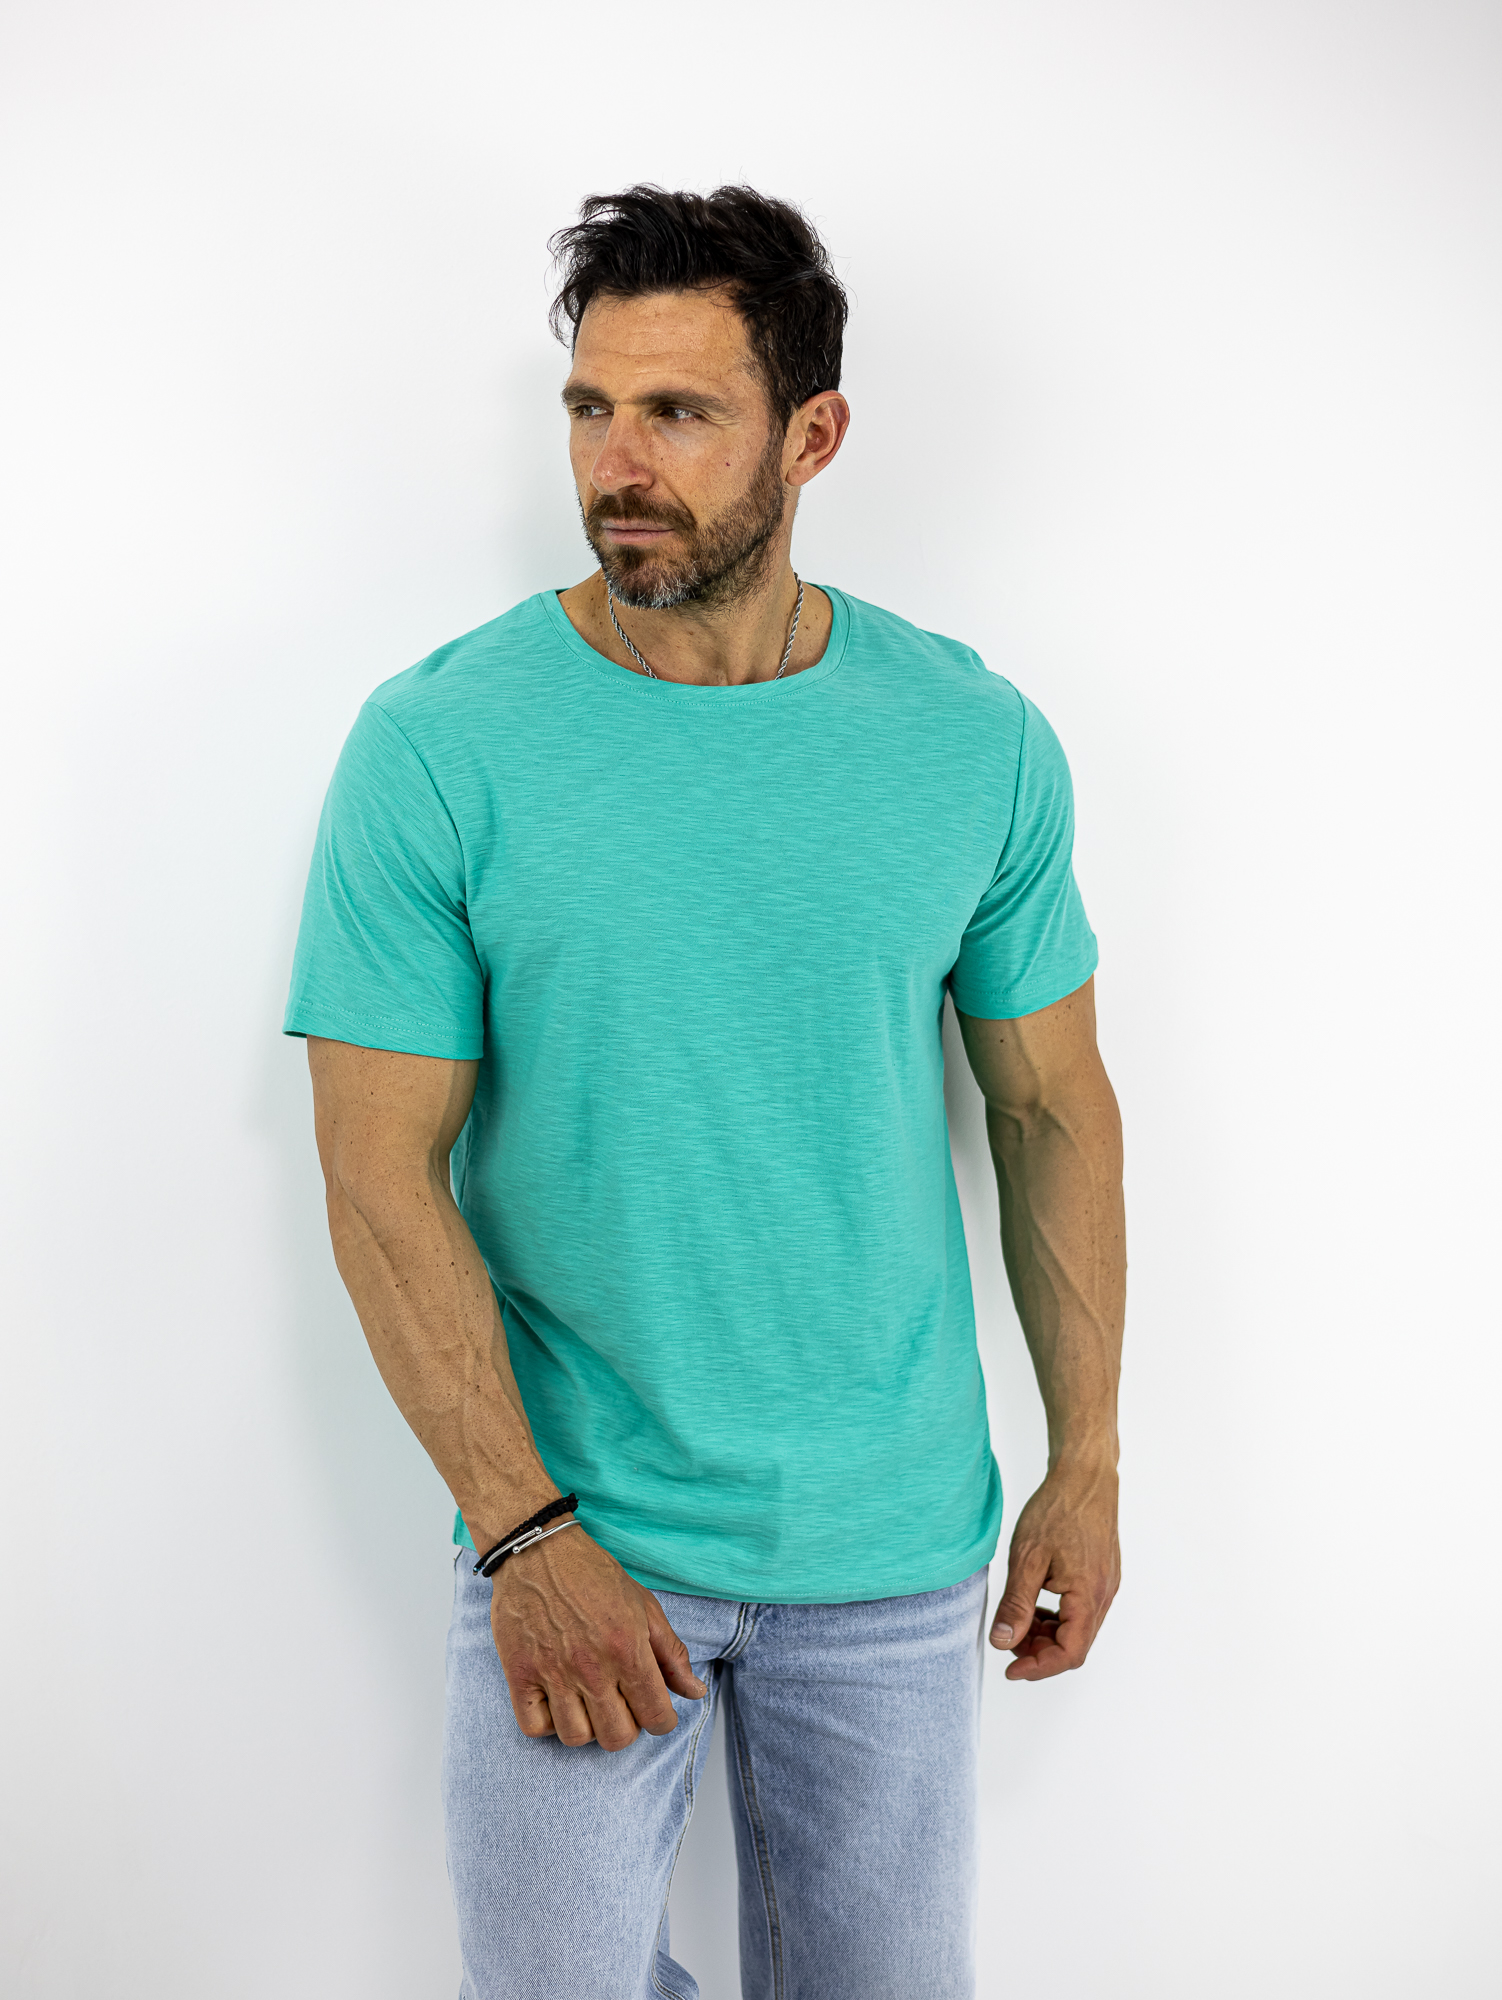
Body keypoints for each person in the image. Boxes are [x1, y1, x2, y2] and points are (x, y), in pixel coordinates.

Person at [285, 183, 1125, 2000]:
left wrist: (1087, 1460)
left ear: (811, 436)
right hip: (578, 1524)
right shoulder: (440, 745)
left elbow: (1051, 1107)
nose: (617, 464)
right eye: (590, 408)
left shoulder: (972, 739)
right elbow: (375, 1171)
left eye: (677, 412)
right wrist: (523, 1530)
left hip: (891, 1542)